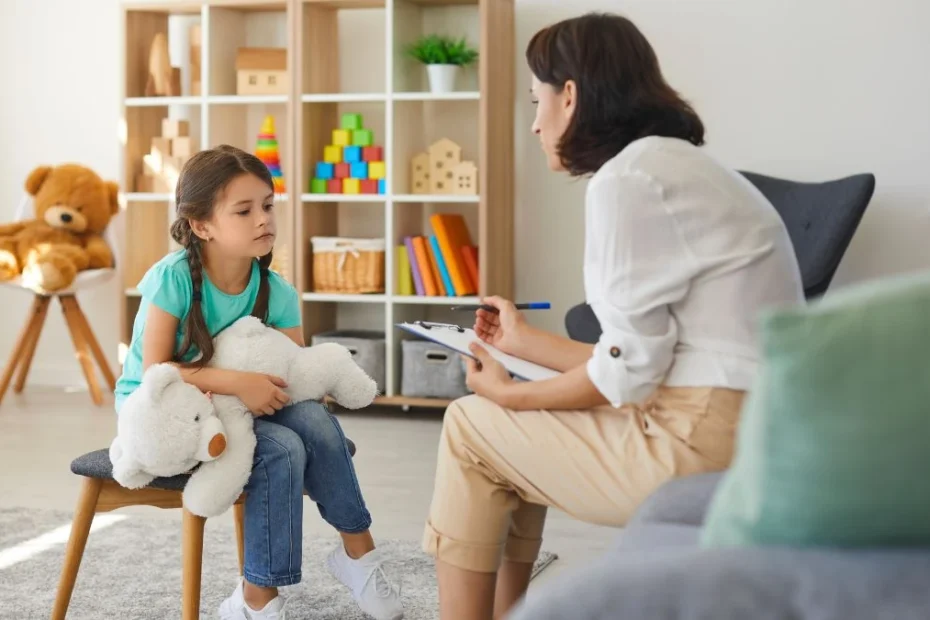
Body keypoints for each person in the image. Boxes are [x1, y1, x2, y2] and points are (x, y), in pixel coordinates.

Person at [421, 12, 805, 620]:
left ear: (570, 96)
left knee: (472, 425)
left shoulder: (628, 181)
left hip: (698, 442)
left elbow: (624, 378)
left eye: (538, 101)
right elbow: (643, 359)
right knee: (503, 430)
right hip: (750, 428)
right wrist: (523, 341)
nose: (535, 122)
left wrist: (512, 394)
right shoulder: (678, 166)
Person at [113, 145, 404, 620]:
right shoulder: (172, 279)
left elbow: (294, 375)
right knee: (282, 449)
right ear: (202, 225)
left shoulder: (277, 292)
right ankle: (257, 599)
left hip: (237, 408)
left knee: (311, 418)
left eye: (268, 205)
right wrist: (238, 382)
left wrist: (259, 387)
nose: (263, 219)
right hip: (164, 413)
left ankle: (359, 556)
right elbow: (155, 372)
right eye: (244, 210)